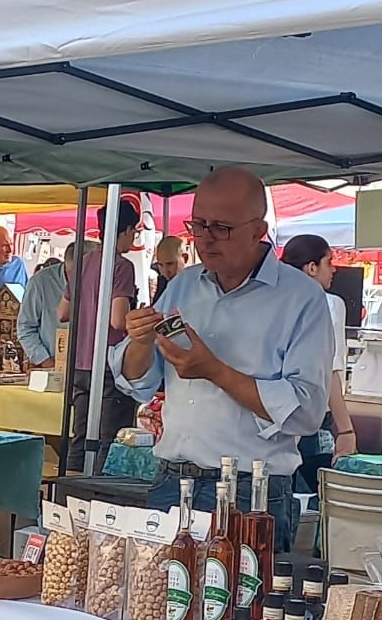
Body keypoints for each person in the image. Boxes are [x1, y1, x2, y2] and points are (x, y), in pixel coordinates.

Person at [111, 167, 332, 551]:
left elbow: (307, 412)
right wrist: (140, 341)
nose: (205, 239)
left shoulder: (302, 299)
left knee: (240, 593)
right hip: (172, 480)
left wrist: (215, 371)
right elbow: (137, 381)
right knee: (159, 590)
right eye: (198, 225)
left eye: (221, 228)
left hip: (249, 491)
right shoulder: (184, 284)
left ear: (258, 230)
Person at [59, 202, 140, 473]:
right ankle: (100, 493)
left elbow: (62, 312)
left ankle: (71, 491)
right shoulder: (121, 266)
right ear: (126, 230)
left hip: (80, 362)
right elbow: (118, 320)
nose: (133, 238)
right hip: (108, 363)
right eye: (134, 232)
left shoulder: (82, 262)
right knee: (109, 440)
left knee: (80, 437)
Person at [281, 235, 357, 491]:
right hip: (311, 417)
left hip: (272, 414)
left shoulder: (272, 302)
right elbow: (330, 371)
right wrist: (345, 430)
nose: (334, 269)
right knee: (312, 500)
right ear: (312, 268)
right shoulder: (328, 304)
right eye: (329, 262)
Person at [16, 241, 75, 367]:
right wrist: (45, 360)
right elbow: (25, 327)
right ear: (66, 267)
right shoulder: (40, 282)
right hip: (51, 363)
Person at [151, 234, 188, 304]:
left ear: (185, 258)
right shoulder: (163, 282)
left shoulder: (196, 284)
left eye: (170, 264)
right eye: (160, 265)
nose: (165, 271)